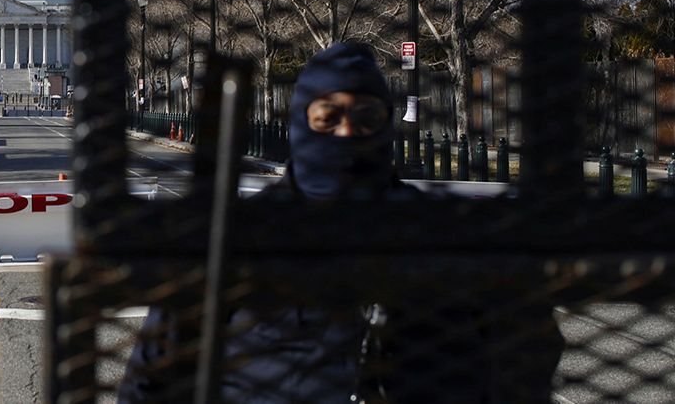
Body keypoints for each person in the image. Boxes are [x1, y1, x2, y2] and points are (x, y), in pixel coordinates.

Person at [118, 42, 563, 402]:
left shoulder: (446, 232)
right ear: (301, 125)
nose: (348, 133)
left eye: (366, 118)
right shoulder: (234, 237)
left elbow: (524, 357)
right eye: (328, 118)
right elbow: (153, 377)